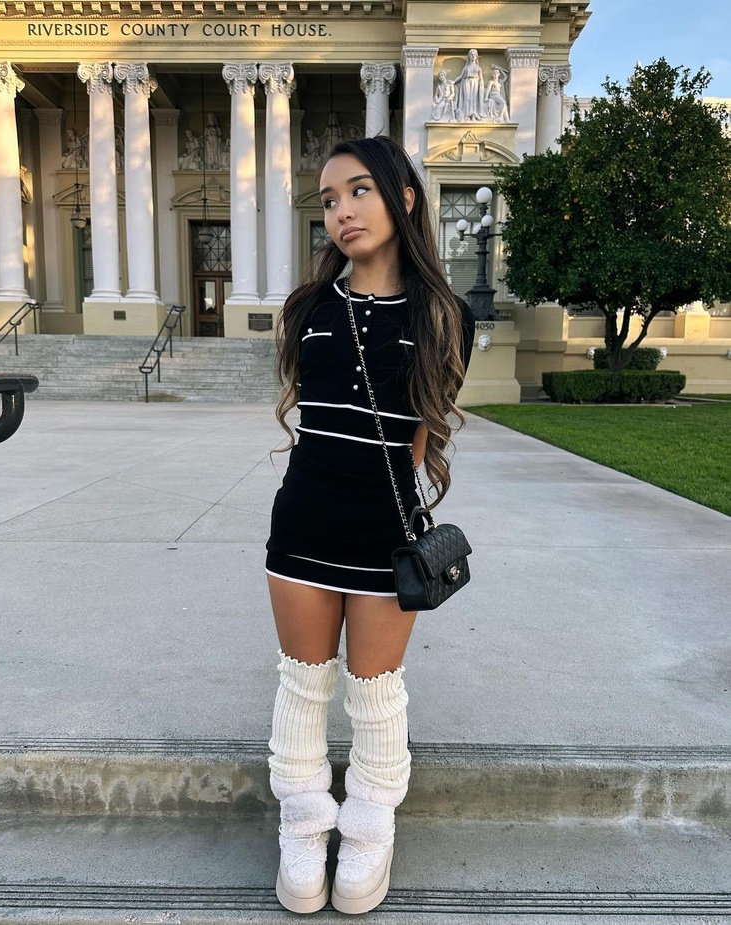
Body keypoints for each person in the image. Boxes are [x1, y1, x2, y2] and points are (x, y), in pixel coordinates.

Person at [264, 135, 475, 916]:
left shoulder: (445, 316)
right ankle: (303, 819)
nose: (341, 212)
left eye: (358, 191)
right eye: (328, 200)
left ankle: (369, 825)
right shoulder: (308, 308)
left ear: (403, 197)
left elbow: (419, 438)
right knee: (303, 683)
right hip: (301, 528)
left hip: (386, 537)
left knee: (376, 692)